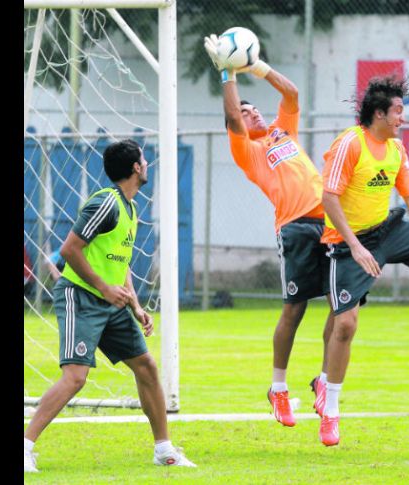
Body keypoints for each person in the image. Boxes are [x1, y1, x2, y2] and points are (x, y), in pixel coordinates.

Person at [23, 140, 196, 473]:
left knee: (146, 366)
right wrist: (102, 288)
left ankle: (164, 449)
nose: (147, 164)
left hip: (112, 303)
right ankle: (25, 445)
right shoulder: (106, 203)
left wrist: (135, 305)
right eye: (144, 160)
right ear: (135, 168)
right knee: (75, 378)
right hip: (81, 297)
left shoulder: (130, 209)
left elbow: (119, 264)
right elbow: (70, 249)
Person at [319, 74, 409, 447]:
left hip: (387, 231)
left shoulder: (397, 150)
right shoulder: (350, 144)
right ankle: (330, 410)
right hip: (347, 243)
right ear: (379, 114)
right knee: (345, 324)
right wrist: (357, 247)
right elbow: (329, 198)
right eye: (398, 111)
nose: (403, 119)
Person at [204, 35, 334, 427]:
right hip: (295, 228)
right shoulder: (248, 151)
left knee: (342, 305)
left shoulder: (283, 132)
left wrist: (255, 65)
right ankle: (278, 389)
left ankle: (325, 380)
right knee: (294, 309)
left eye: (256, 110)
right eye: (247, 113)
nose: (254, 114)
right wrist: (228, 74)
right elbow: (231, 119)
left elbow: (291, 93)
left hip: (329, 222)